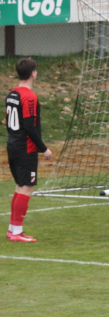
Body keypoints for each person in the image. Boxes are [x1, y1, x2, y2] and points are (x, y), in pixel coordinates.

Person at [5, 58, 52, 242]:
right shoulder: (29, 96)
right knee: (26, 187)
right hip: (25, 147)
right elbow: (29, 126)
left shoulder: (11, 94)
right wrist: (44, 149)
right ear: (33, 73)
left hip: (13, 144)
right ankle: (16, 232)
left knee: (20, 187)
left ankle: (13, 229)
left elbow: (9, 121)